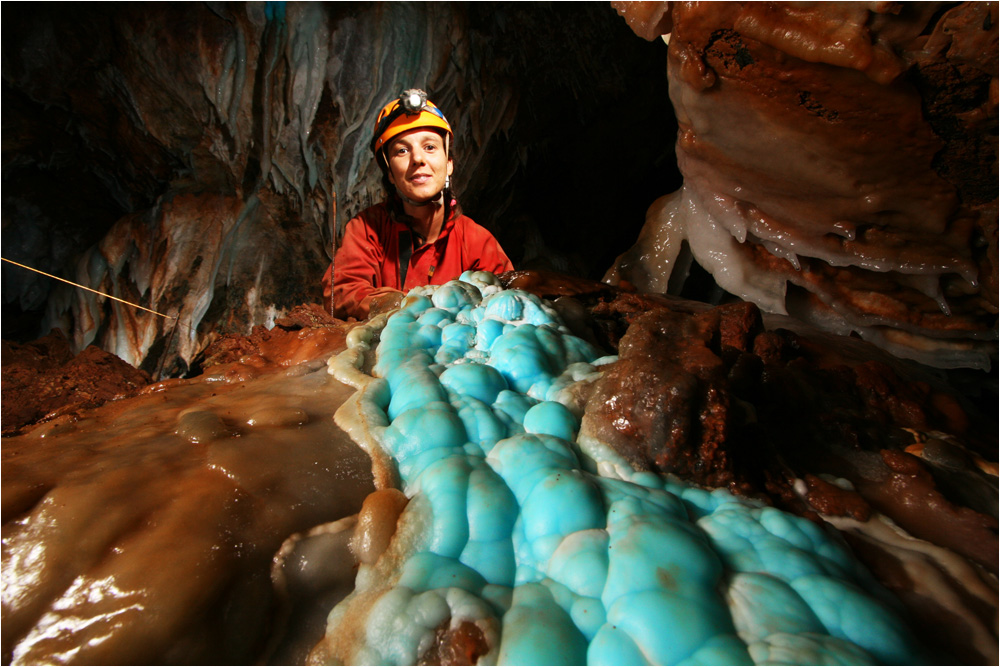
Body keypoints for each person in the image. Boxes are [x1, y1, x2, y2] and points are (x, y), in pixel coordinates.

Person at [323, 89, 513, 319]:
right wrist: (412, 305)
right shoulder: (367, 230)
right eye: (402, 151)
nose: (418, 159)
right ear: (390, 174)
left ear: (449, 163)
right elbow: (343, 293)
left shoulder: (478, 244)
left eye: (430, 147)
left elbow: (509, 308)